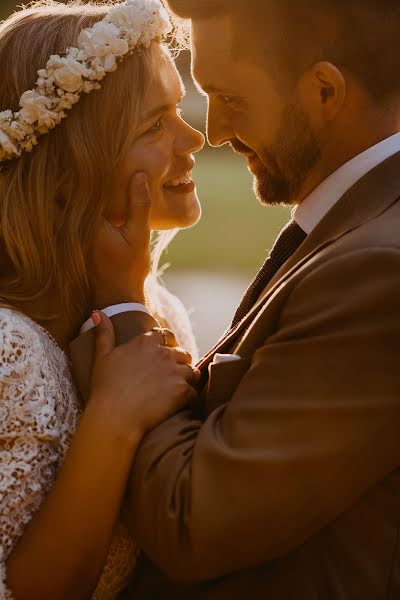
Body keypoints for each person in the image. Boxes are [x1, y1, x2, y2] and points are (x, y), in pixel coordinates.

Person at [71, 1, 400, 598]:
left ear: (325, 91)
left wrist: (119, 304)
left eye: (232, 99)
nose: (214, 131)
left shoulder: (381, 271)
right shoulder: (361, 229)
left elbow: (190, 519)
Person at [0, 1, 205, 598]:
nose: (193, 137)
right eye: (154, 123)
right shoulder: (12, 352)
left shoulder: (156, 311)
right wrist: (111, 418)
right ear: (68, 173)